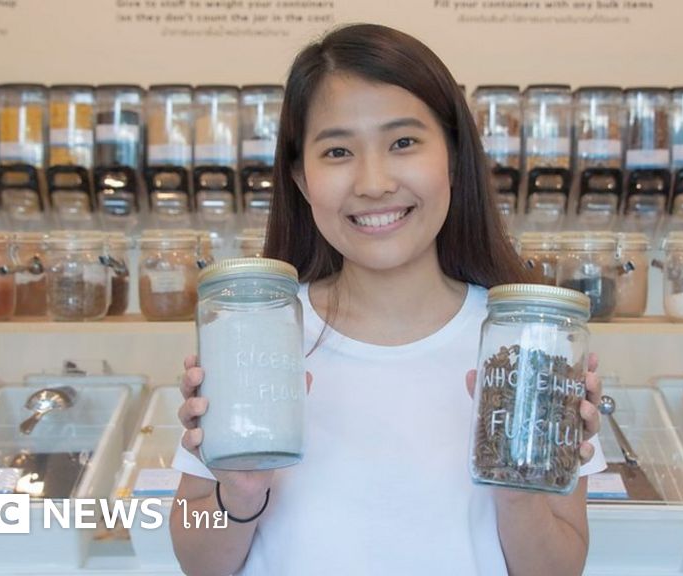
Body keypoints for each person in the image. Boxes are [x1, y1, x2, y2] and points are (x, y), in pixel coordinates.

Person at [170, 23, 606, 576]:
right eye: (337, 151)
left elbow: (560, 568)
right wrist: (240, 490)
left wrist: (518, 491)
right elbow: (196, 558)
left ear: (453, 156)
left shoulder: (526, 344)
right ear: (301, 179)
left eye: (403, 143)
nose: (373, 183)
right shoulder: (255, 330)